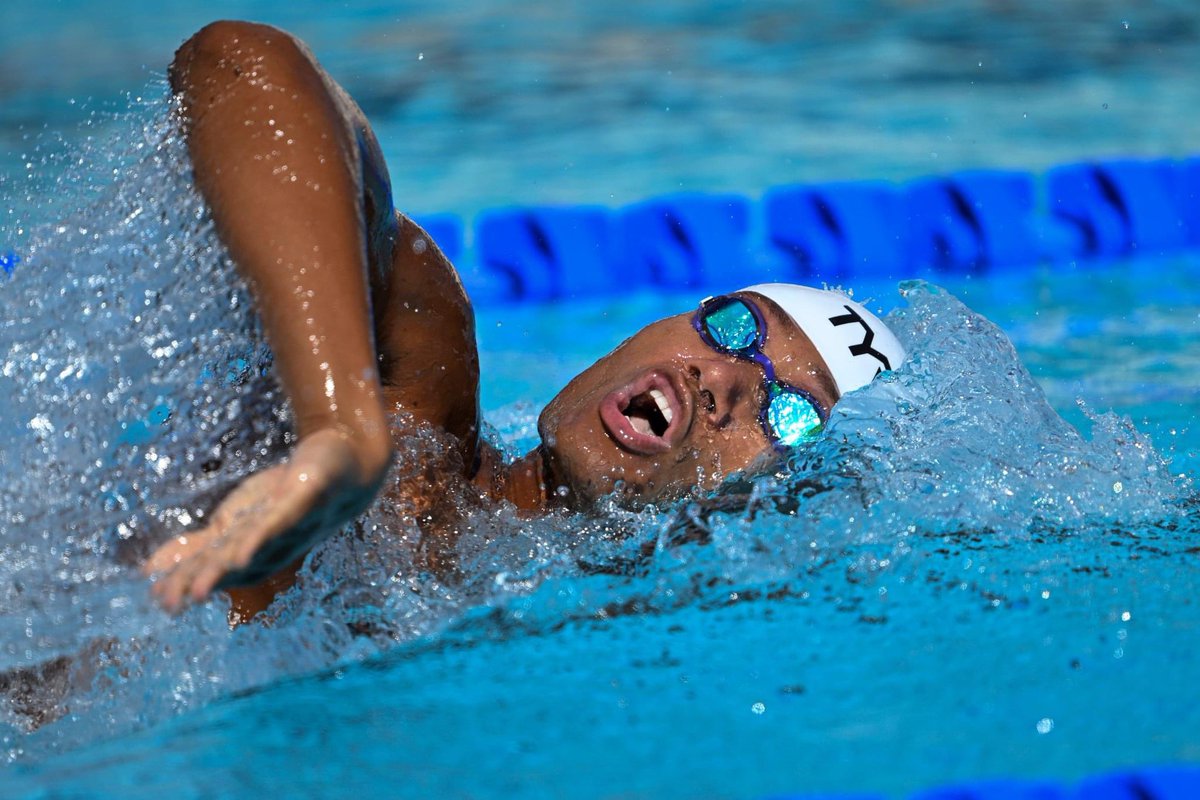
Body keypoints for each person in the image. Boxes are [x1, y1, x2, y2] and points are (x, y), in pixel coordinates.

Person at [141, 21, 906, 620]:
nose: (725, 380)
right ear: (649, 328)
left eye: (791, 415)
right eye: (736, 326)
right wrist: (339, 426)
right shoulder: (411, 413)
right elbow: (238, 60)